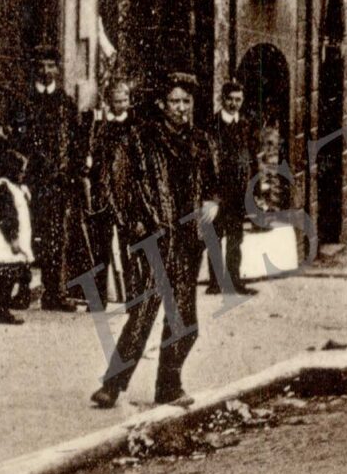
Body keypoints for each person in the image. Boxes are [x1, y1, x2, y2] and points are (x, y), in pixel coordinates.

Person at [90, 79, 210, 409]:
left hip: (187, 242)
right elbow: (116, 182)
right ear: (161, 104)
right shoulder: (140, 140)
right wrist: (133, 223)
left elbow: (215, 183)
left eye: (186, 102)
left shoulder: (199, 142)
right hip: (154, 238)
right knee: (143, 312)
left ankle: (169, 386)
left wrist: (212, 205)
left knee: (185, 320)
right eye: (175, 101)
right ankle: (112, 385)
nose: (182, 108)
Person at [20, 51, 85, 312]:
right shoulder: (24, 102)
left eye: (51, 65)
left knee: (55, 236)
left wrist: (74, 172)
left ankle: (53, 292)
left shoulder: (66, 103)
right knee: (25, 233)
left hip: (58, 181)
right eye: (41, 65)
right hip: (30, 181)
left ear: (58, 69)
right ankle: (22, 289)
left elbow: (78, 141)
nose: (46, 70)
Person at [80, 80, 135, 306]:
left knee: (128, 247)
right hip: (102, 191)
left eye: (124, 100)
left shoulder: (135, 125)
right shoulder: (98, 124)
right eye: (116, 101)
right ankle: (98, 298)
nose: (120, 105)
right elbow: (90, 152)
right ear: (109, 101)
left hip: (126, 193)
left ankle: (132, 296)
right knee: (101, 245)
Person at [202, 79, 258, 297]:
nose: (234, 104)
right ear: (222, 99)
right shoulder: (211, 126)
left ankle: (234, 282)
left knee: (236, 237)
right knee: (215, 236)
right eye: (230, 99)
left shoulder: (246, 125)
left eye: (238, 100)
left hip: (238, 192)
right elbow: (205, 162)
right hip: (217, 192)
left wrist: (253, 186)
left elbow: (252, 158)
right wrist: (209, 195)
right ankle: (215, 282)